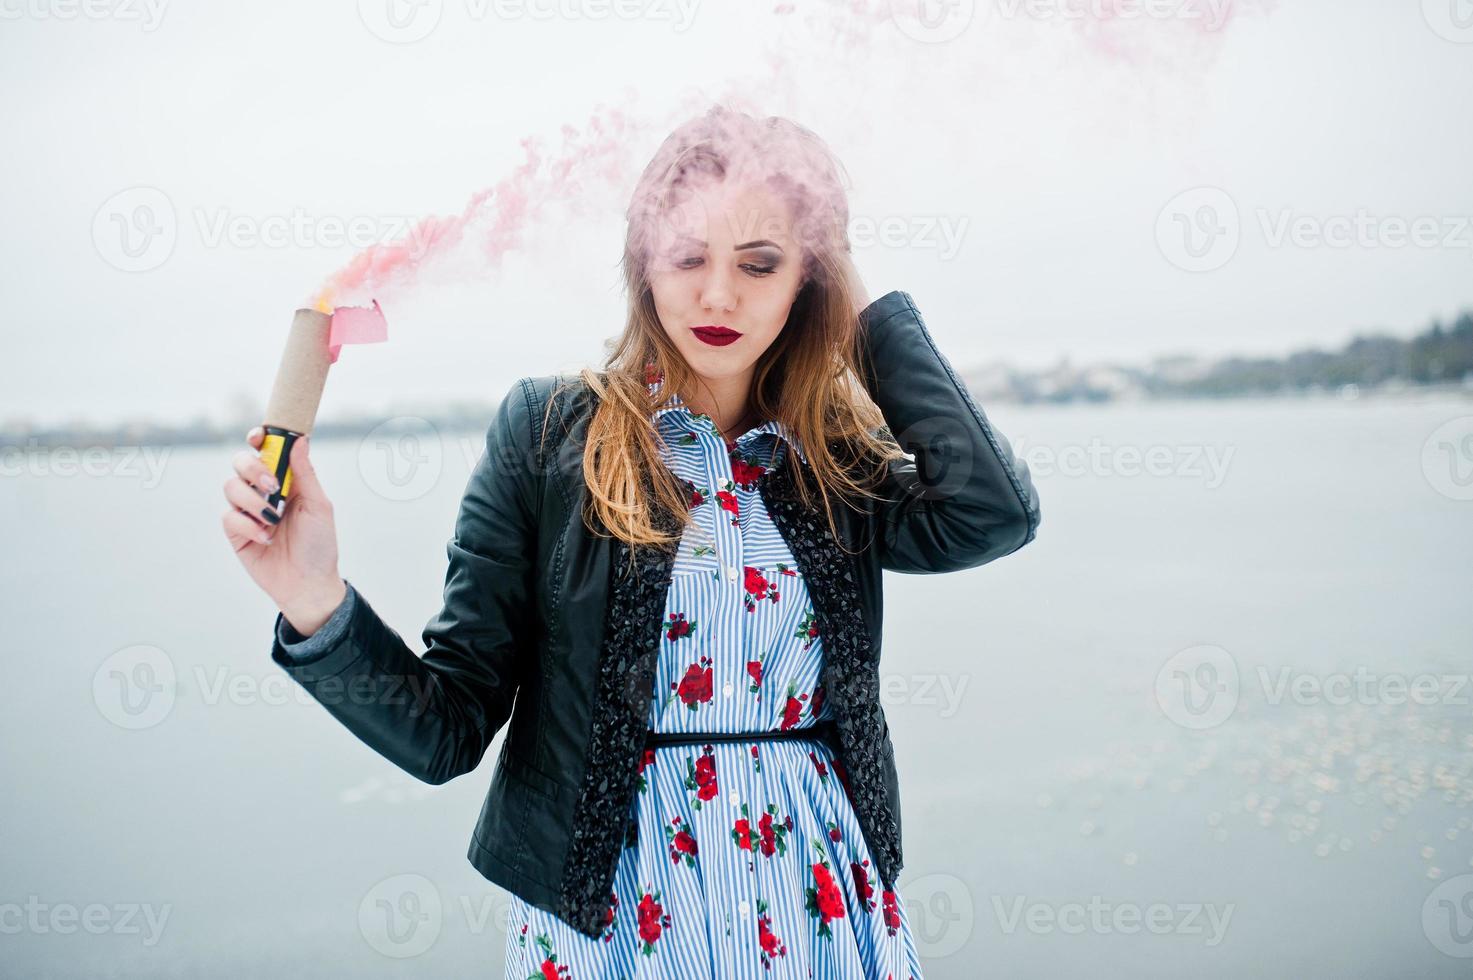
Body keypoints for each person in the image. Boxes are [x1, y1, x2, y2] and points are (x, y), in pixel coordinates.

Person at [221, 104, 1040, 979]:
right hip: (613, 911)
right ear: (643, 263)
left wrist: (864, 319)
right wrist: (314, 601)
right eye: (687, 256)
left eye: (759, 263)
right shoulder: (547, 433)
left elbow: (990, 512)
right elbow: (446, 731)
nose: (717, 293)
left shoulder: (830, 456)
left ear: (810, 279)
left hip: (817, 896)